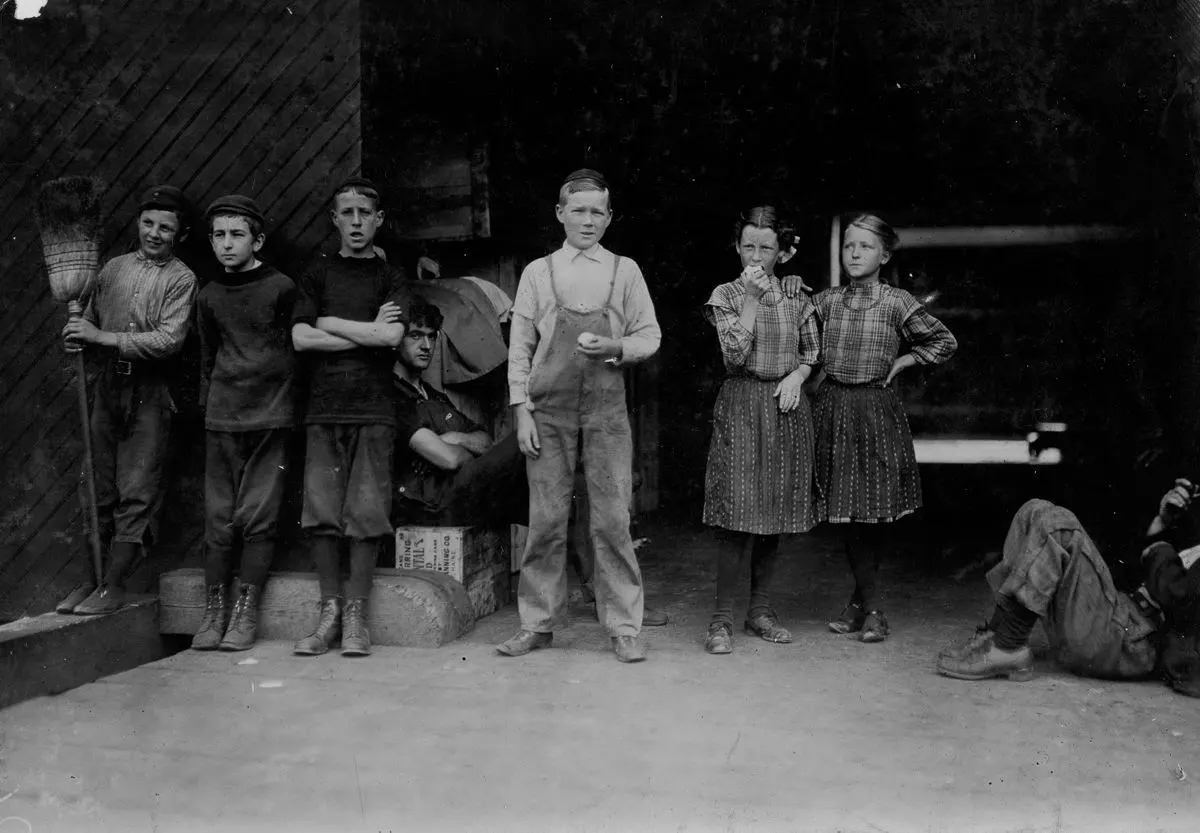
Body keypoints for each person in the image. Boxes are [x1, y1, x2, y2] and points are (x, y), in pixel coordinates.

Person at [498, 168, 662, 663]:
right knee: (546, 520)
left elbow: (649, 336)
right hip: (547, 411)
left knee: (612, 518)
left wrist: (616, 346)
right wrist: (520, 412)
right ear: (560, 214)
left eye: (598, 212)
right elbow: (520, 349)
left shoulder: (625, 270)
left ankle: (623, 626)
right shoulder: (538, 272)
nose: (588, 220)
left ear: (609, 217)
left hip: (606, 411)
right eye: (579, 210)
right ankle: (538, 623)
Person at [814, 213, 956, 642]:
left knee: (872, 511)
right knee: (847, 511)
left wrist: (902, 362)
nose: (855, 253)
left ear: (885, 254)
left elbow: (942, 341)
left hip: (877, 411)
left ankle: (869, 606)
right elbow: (796, 337)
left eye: (866, 246)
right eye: (849, 246)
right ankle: (865, 605)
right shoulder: (825, 302)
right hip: (835, 408)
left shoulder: (897, 301)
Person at [57, 185, 198, 615]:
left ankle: (114, 585)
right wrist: (78, 334)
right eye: (149, 223)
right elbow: (92, 324)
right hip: (106, 388)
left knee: (135, 490)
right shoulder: (112, 269)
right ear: (139, 223)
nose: (154, 233)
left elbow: (168, 340)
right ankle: (91, 579)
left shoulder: (181, 278)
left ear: (180, 234)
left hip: (150, 392)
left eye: (165, 228)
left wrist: (102, 337)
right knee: (96, 487)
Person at [290, 177, 411, 658]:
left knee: (366, 512)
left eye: (365, 213)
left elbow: (392, 339)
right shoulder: (316, 274)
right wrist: (367, 332)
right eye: (348, 213)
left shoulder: (391, 278)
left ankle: (357, 617)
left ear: (378, 219)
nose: (356, 222)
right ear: (334, 219)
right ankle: (329, 614)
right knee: (322, 511)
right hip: (324, 407)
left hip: (375, 409)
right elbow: (300, 338)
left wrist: (332, 323)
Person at [937, 480, 1200, 698]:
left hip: (1130, 643)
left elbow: (1178, 595)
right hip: (1118, 621)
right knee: (1035, 510)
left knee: (1059, 524)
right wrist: (1161, 523)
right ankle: (999, 634)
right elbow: (1127, 572)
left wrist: (1160, 546)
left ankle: (1008, 647)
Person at [700, 206, 820, 655]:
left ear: (782, 253)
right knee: (737, 515)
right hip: (743, 406)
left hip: (785, 407)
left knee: (775, 514)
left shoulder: (796, 295)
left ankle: (760, 611)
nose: (755, 254)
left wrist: (799, 375)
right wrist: (751, 297)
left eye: (765, 248)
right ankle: (720, 620)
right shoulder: (726, 294)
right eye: (748, 245)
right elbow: (733, 354)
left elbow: (813, 350)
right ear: (736, 246)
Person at [192, 195, 297, 651]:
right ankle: (213, 612)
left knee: (258, 514)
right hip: (222, 418)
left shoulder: (281, 288)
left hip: (270, 416)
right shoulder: (210, 295)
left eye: (237, 235)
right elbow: (207, 358)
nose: (227, 244)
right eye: (219, 235)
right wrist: (210, 407)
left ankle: (244, 612)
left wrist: (282, 408)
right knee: (218, 517)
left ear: (257, 239)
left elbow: (294, 356)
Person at [392, 300, 528, 528]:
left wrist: (454, 438)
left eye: (432, 336)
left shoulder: (434, 396)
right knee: (532, 433)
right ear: (395, 341)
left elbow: (486, 442)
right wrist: (463, 451)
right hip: (431, 505)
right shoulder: (393, 396)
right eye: (415, 336)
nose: (426, 345)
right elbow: (450, 459)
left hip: (460, 492)